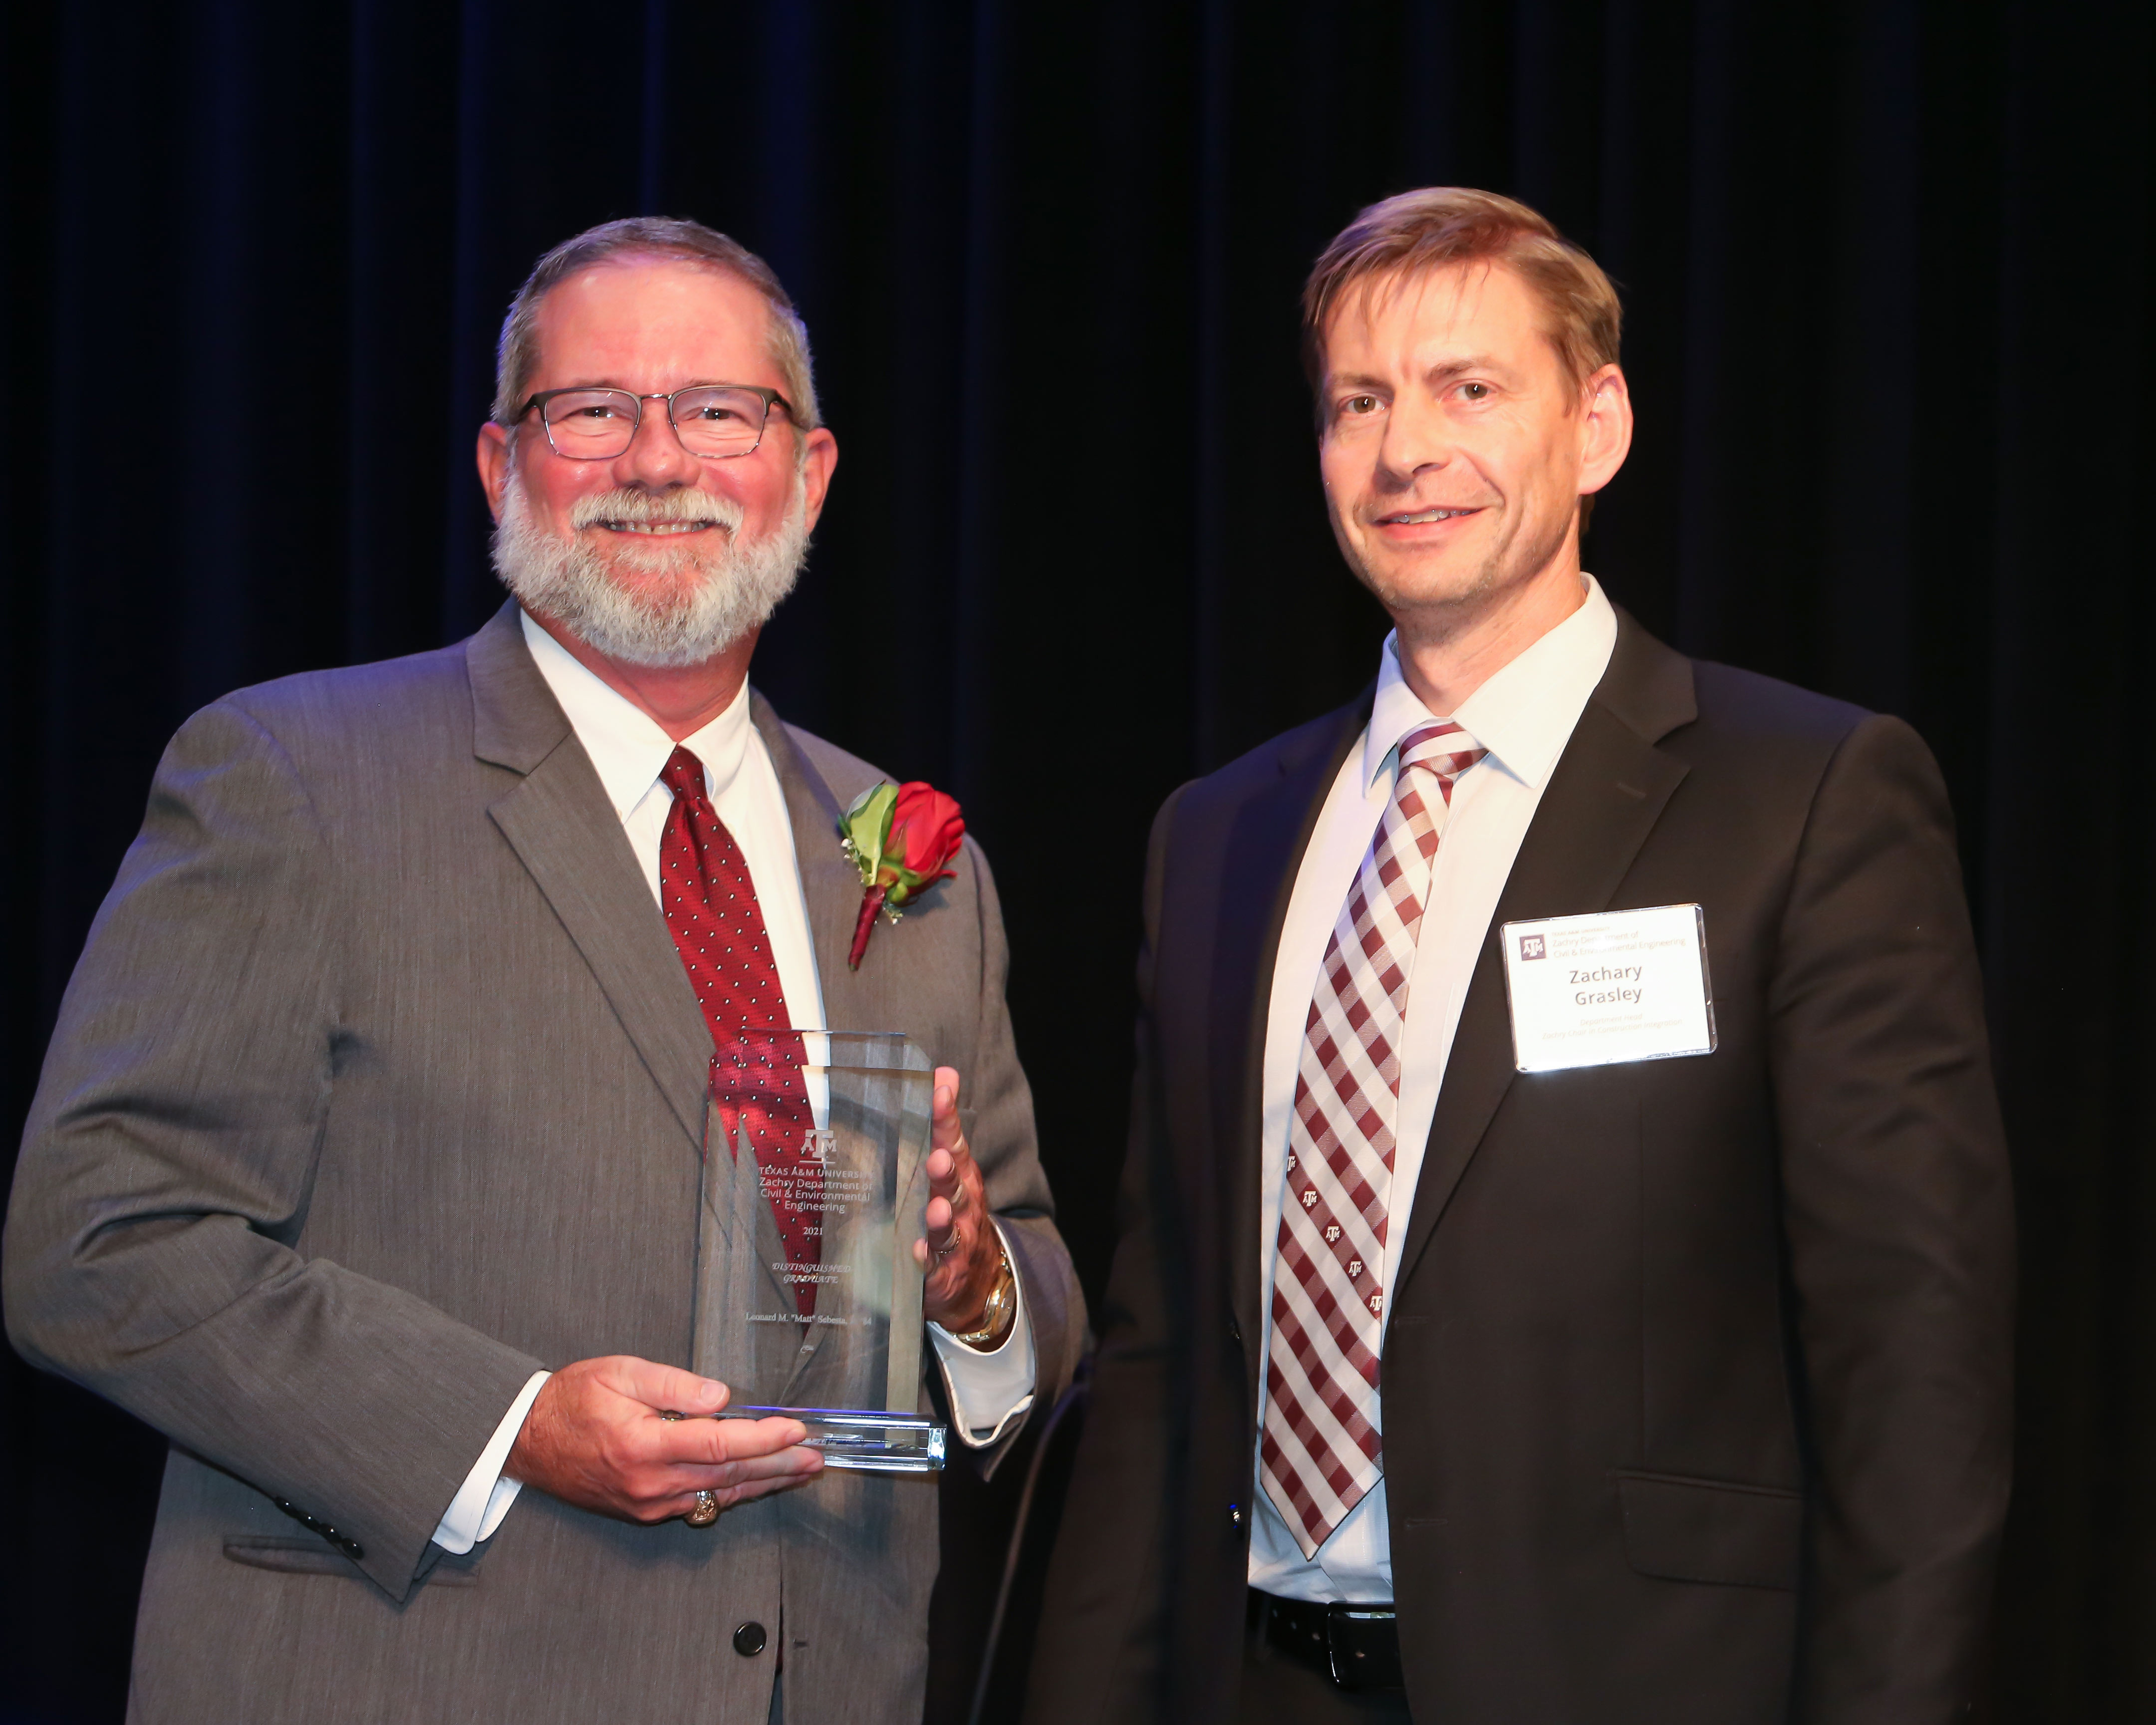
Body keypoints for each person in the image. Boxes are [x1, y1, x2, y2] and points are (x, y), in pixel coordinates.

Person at [3, 216, 1082, 1725]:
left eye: (719, 410)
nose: (658, 458)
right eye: (592, 410)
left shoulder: (914, 865)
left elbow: (1037, 1283)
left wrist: (975, 1287)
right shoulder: (296, 778)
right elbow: (96, 1241)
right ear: (501, 464)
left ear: (810, 471)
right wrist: (510, 1425)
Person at [1025, 188, 2012, 1725]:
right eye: (1361, 402)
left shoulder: (1804, 800)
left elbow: (1914, 1369)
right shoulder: (1217, 837)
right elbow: (1158, 1355)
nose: (1405, 450)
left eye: (1469, 388)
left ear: (1596, 425)